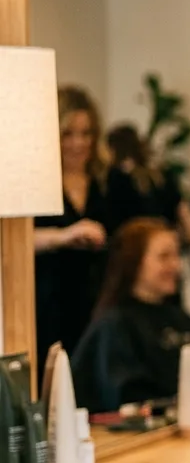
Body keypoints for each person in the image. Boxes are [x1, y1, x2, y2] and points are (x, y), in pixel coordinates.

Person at [70, 218, 190, 413]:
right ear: (133, 261)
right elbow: (129, 396)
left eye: (176, 255)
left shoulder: (178, 318)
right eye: (164, 256)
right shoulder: (115, 325)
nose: (176, 265)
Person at [34, 86, 112, 375]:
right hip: (51, 306)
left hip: (98, 307)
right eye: (68, 134)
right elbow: (17, 243)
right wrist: (64, 236)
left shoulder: (107, 182)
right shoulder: (36, 185)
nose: (78, 143)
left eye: (86, 133)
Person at [105, 123, 190, 247]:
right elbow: (186, 218)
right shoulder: (162, 176)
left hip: (135, 249)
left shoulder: (115, 178)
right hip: (164, 244)